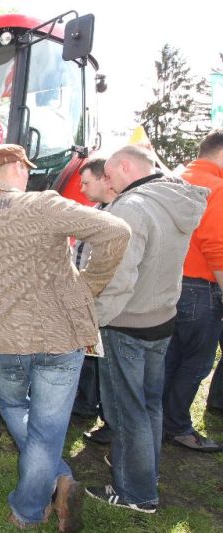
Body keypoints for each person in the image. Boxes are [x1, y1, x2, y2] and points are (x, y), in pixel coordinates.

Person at [0, 144, 131, 531]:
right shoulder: (42, 205)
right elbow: (117, 231)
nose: (27, 175)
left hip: (8, 333)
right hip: (60, 333)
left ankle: (51, 488)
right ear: (15, 167)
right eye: (25, 169)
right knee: (47, 431)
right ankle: (32, 506)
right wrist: (89, 286)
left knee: (14, 407)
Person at [86, 145, 207, 513]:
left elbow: (120, 277)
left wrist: (96, 317)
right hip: (161, 318)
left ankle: (135, 493)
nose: (107, 182)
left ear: (125, 167)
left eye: (108, 174)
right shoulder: (173, 198)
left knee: (127, 410)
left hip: (127, 323)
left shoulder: (132, 207)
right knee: (149, 405)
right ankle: (144, 474)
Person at [161, 130, 223, 452]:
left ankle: (159, 422)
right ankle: (177, 425)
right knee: (196, 363)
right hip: (200, 289)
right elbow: (217, 246)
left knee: (169, 358)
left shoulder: (173, 178)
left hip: (166, 284)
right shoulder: (216, 186)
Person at [71, 158, 118, 445]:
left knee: (107, 362)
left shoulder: (117, 216)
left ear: (105, 179)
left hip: (102, 300)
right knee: (90, 355)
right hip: (86, 297)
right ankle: (85, 405)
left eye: (87, 182)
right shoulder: (97, 211)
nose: (82, 188)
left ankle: (111, 420)